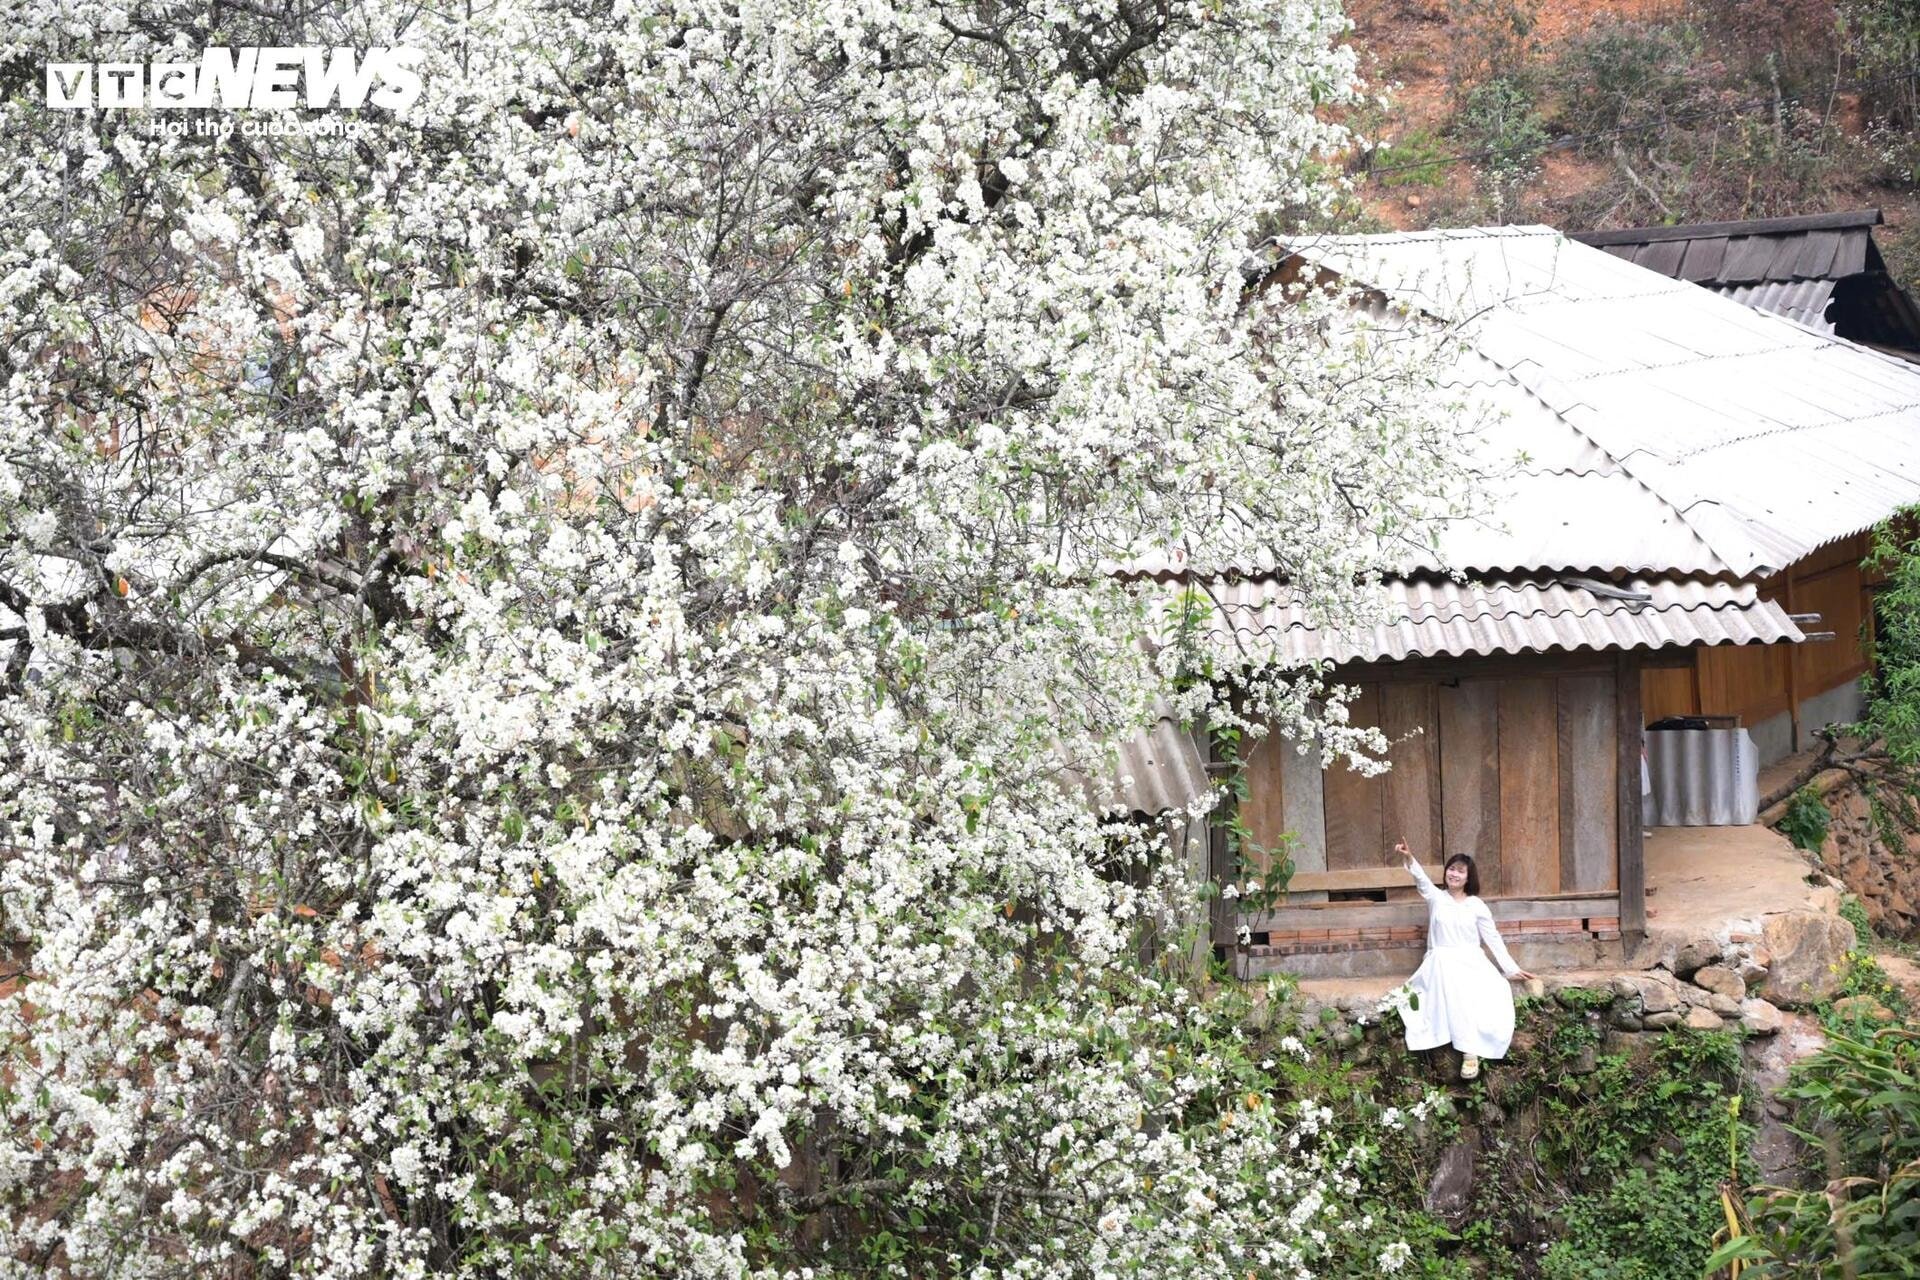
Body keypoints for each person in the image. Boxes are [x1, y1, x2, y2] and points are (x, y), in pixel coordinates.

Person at [1394, 839, 1535, 1080]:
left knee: (1483, 992)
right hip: (1441, 959)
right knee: (1448, 989)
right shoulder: (1437, 898)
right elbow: (1421, 879)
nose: (1454, 874)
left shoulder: (1476, 905)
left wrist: (1511, 969)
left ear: (1468, 877)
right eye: (1451, 868)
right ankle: (1464, 1049)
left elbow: (1492, 937)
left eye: (1460, 870)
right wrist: (1408, 857)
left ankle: (1471, 1052)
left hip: (1471, 959)